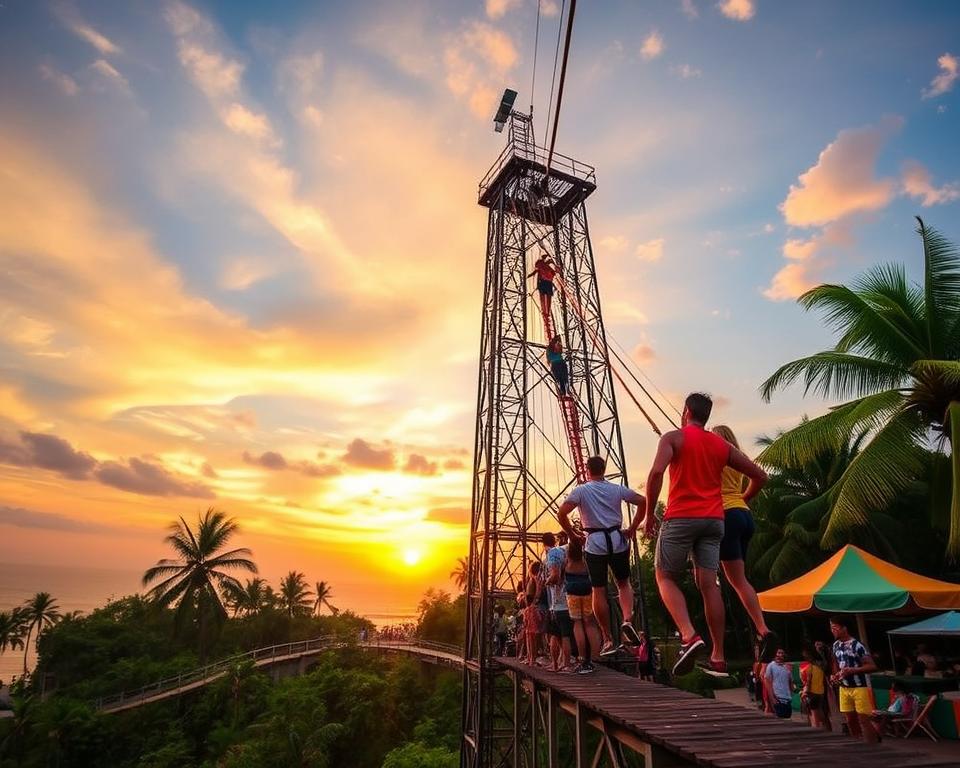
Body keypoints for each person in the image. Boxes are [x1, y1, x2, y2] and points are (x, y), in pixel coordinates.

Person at [640, 393, 768, 676]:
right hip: (714, 522)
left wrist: (649, 515)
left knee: (664, 576)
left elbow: (656, 473)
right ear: (706, 415)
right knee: (710, 585)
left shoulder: (673, 438)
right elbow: (761, 475)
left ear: (686, 411)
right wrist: (743, 501)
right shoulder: (720, 444)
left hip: (682, 516)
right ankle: (718, 657)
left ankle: (689, 635)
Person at [558, 455, 646, 655]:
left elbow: (562, 513)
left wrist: (572, 534)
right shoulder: (616, 488)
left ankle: (607, 637)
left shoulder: (581, 490)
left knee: (599, 590)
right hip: (617, 539)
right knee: (623, 583)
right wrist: (632, 527)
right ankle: (627, 620)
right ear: (604, 469)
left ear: (587, 470)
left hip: (595, 542)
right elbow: (642, 501)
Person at [711, 425, 778, 662]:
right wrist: (744, 497)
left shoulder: (714, 453)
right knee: (741, 580)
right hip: (743, 515)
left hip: (725, 515)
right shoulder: (738, 456)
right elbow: (760, 477)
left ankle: (718, 651)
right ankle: (762, 628)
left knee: (715, 581)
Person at [829, 615, 879, 743]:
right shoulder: (835, 645)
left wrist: (853, 670)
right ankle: (857, 742)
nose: (833, 631)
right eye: (831, 628)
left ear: (844, 629)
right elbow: (834, 662)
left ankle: (872, 744)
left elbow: (872, 666)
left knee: (863, 719)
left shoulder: (857, 645)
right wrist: (834, 675)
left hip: (858, 687)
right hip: (844, 687)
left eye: (835, 628)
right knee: (850, 719)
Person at [564, 535, 600, 674]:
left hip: (572, 593)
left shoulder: (568, 563)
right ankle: (596, 656)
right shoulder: (585, 562)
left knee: (577, 624)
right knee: (590, 623)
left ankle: (582, 656)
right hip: (586, 590)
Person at [542, 533, 574, 672]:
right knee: (561, 636)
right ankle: (562, 662)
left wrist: (546, 582)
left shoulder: (551, 555)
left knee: (560, 636)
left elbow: (554, 576)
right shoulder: (564, 552)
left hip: (557, 602)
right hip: (564, 601)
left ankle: (563, 663)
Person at [800, 644, 829, 730]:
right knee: (822, 715)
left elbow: (808, 681)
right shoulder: (821, 664)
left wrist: (805, 692)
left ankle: (816, 731)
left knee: (814, 716)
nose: (804, 655)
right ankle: (826, 731)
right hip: (821, 692)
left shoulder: (810, 666)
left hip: (812, 693)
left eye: (805, 654)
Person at [764, 648, 795, 719]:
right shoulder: (771, 665)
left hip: (788, 699)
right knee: (781, 720)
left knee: (788, 720)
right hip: (778, 698)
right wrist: (772, 698)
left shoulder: (787, 667)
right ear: (775, 654)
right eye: (778, 653)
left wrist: (790, 671)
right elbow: (767, 681)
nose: (780, 655)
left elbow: (791, 683)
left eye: (782, 653)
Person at [528, 253, 557, 320]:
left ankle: (544, 311)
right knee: (548, 297)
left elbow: (535, 272)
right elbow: (553, 272)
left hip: (543, 282)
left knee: (542, 297)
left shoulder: (540, 265)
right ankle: (548, 312)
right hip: (549, 282)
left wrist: (530, 275)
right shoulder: (547, 264)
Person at [522, 596, 543, 667]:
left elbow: (525, 622)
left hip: (528, 630)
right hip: (536, 630)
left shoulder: (526, 610)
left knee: (530, 645)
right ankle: (533, 659)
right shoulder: (536, 609)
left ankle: (530, 659)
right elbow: (539, 618)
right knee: (535, 646)